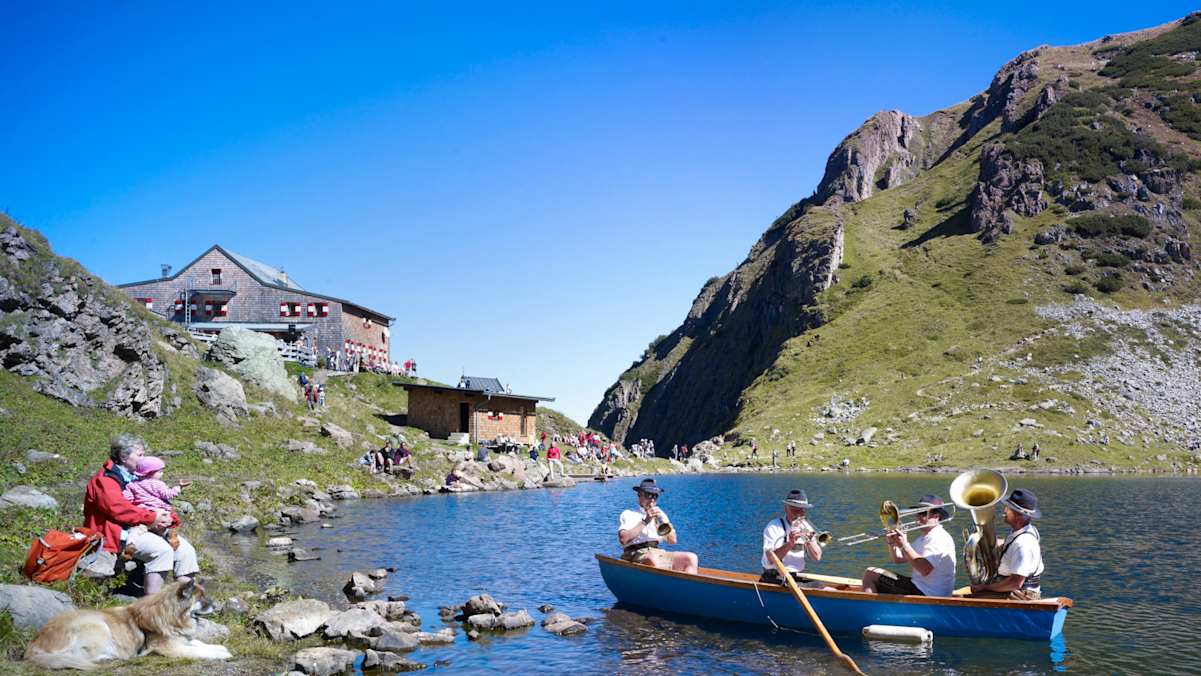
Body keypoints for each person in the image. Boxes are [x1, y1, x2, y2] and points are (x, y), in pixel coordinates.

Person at [83, 434, 199, 595]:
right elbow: (118, 509)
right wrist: (152, 517)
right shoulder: (106, 479)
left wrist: (168, 518)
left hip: (144, 526)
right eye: (140, 455)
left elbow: (155, 502)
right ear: (124, 456)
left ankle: (186, 603)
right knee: (162, 551)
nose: (144, 458)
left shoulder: (140, 478)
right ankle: (150, 606)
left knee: (186, 552)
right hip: (117, 532)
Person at [861, 495, 956, 596]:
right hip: (920, 587)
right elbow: (898, 559)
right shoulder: (924, 538)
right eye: (918, 512)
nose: (919, 517)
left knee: (870, 574)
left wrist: (904, 545)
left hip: (927, 593)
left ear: (936, 517)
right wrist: (892, 542)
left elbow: (924, 569)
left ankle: (869, 610)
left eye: (923, 513)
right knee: (873, 573)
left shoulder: (939, 537)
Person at [971, 489, 1044, 600]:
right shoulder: (1025, 531)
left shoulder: (1023, 544)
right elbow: (1011, 545)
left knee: (975, 597)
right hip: (1016, 590)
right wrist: (987, 541)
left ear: (1018, 517)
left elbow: (1016, 583)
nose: (1004, 511)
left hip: (1021, 594)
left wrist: (985, 587)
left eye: (1008, 509)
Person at [618, 479, 698, 574]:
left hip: (656, 552)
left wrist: (662, 521)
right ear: (639, 495)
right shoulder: (629, 514)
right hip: (635, 553)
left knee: (691, 558)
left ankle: (685, 587)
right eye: (648, 495)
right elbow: (623, 539)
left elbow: (672, 541)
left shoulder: (660, 514)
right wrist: (645, 521)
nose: (652, 499)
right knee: (651, 559)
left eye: (655, 496)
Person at [124, 456, 191, 549]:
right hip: (160, 513)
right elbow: (168, 494)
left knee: (136, 530)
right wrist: (179, 487)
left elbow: (127, 499)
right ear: (149, 472)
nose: (162, 473)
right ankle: (171, 537)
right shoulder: (158, 484)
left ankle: (130, 543)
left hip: (145, 515)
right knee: (166, 525)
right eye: (159, 471)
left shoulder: (132, 484)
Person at [760, 489, 824, 584]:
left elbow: (817, 557)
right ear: (786, 508)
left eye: (802, 510)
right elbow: (770, 559)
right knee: (822, 588)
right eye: (794, 509)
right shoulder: (773, 526)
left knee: (822, 585)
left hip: (796, 577)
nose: (798, 514)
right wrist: (790, 543)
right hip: (775, 577)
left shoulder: (807, 527)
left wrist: (809, 541)